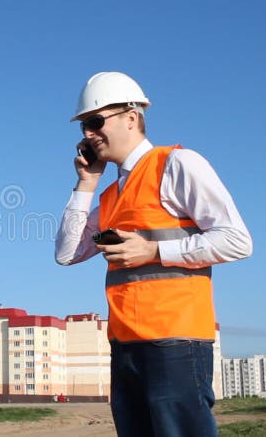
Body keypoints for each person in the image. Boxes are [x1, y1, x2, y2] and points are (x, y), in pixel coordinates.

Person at [55, 72, 252, 437]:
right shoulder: (110, 195)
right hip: (125, 345)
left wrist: (154, 250)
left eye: (95, 121)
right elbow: (67, 254)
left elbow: (237, 240)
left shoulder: (177, 164)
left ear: (131, 118)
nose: (87, 134)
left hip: (176, 342)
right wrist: (86, 184)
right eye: (84, 126)